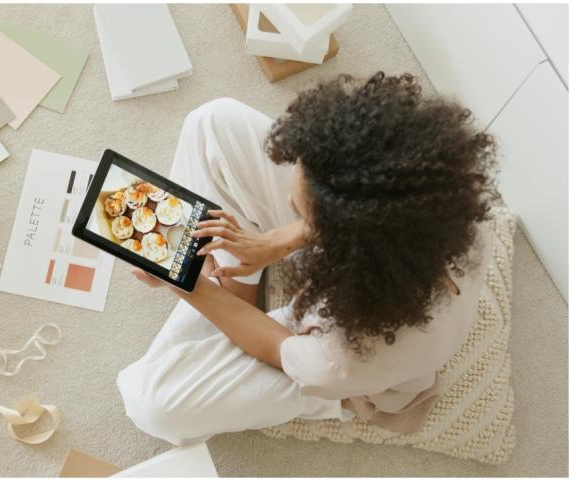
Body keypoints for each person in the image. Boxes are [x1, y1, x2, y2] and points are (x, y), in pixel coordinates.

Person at [116, 72, 498, 446]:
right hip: (363, 257)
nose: (287, 202)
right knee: (212, 124)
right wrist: (279, 241)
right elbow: (361, 215)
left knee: (150, 403)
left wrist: (189, 286)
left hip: (338, 359)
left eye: (299, 211)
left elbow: (275, 347)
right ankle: (235, 287)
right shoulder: (445, 204)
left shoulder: (350, 357)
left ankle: (226, 293)